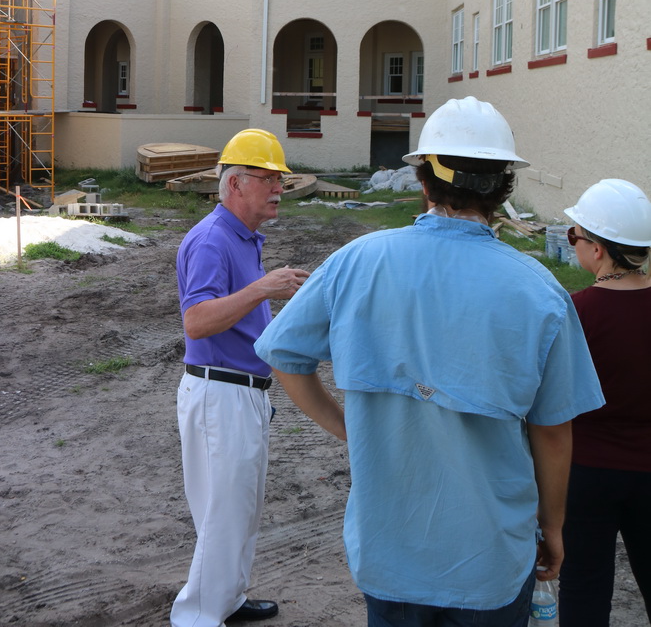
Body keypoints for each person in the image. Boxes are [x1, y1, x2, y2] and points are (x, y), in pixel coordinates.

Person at [254, 97, 605, 627]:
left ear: (424, 180)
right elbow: (554, 432)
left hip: (390, 553)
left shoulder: (357, 261)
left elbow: (284, 354)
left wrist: (347, 426)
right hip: (489, 560)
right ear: (503, 187)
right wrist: (552, 527)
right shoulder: (540, 292)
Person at [171, 128, 309, 627]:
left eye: (280, 180)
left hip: (241, 393)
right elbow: (197, 320)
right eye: (267, 179)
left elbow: (245, 321)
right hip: (219, 394)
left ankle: (226, 600)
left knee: (241, 510)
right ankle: (197, 617)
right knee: (223, 516)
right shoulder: (211, 239)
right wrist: (264, 287)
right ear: (234, 184)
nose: (278, 189)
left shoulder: (243, 238)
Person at [559, 179, 651, 626]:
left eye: (573, 235)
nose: (572, 243)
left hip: (586, 474)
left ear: (597, 249)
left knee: (583, 588)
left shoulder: (574, 313)